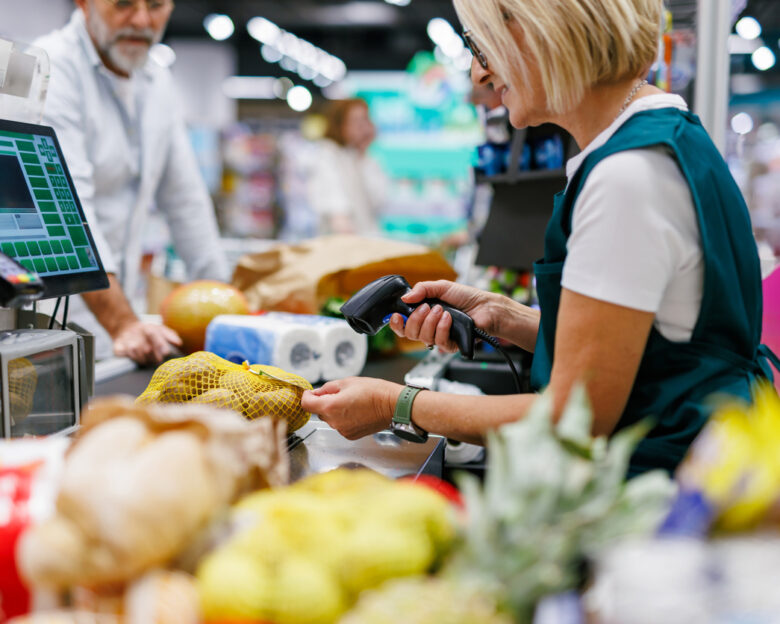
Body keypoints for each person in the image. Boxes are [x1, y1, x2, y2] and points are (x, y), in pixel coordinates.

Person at [302, 0, 777, 476]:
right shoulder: (662, 140)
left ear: (539, 31)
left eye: (481, 47)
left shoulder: (626, 179)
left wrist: (396, 404)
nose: (478, 76)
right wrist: (506, 317)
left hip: (662, 491)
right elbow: (656, 348)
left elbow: (572, 419)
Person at [35, 0, 229, 364]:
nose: (141, 20)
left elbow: (186, 203)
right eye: (123, 3)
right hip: (47, 326)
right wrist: (121, 321)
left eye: (155, 5)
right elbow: (65, 207)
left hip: (118, 329)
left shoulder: (158, 81)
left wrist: (226, 311)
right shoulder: (50, 68)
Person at [306, 98, 389, 235]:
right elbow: (335, 205)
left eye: (365, 119)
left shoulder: (363, 158)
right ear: (340, 124)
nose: (362, 127)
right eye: (355, 121)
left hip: (365, 240)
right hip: (344, 243)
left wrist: (363, 154)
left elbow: (377, 201)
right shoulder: (327, 154)